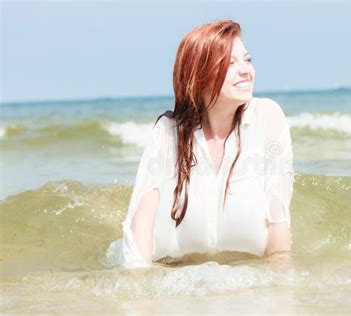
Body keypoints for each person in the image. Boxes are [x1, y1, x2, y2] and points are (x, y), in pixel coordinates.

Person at [106, 19, 295, 270]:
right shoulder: (167, 131)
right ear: (200, 75)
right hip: (175, 272)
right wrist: (141, 296)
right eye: (230, 63)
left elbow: (278, 217)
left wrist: (281, 288)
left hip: (245, 275)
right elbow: (141, 219)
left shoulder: (267, 117)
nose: (246, 70)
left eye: (247, 60)